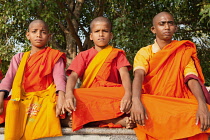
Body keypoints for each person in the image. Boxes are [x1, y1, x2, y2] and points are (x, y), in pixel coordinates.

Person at [131, 11, 210, 140]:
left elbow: (191, 78)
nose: (167, 27)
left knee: (202, 111)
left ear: (175, 28)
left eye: (170, 23)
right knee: (142, 103)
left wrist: (201, 104)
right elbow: (139, 75)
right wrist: (136, 100)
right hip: (154, 99)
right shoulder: (145, 52)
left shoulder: (182, 51)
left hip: (176, 100)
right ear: (153, 29)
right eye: (162, 24)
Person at [0, 19, 66, 140]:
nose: (38, 35)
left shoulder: (55, 55)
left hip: (46, 97)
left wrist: (61, 97)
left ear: (49, 36)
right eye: (34, 31)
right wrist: (0, 97)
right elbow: (8, 78)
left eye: (43, 32)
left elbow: (60, 78)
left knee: (61, 104)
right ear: (28, 35)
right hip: (22, 97)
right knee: (8, 105)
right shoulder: (19, 57)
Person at [64, 16, 133, 131]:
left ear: (111, 35)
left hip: (110, 94)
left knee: (135, 94)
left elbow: (124, 75)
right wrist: (68, 94)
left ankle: (85, 119)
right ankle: (113, 120)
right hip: (91, 95)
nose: (101, 34)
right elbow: (73, 76)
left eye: (105, 31)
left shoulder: (117, 54)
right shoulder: (83, 55)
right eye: (97, 31)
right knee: (70, 96)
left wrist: (127, 94)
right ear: (91, 36)